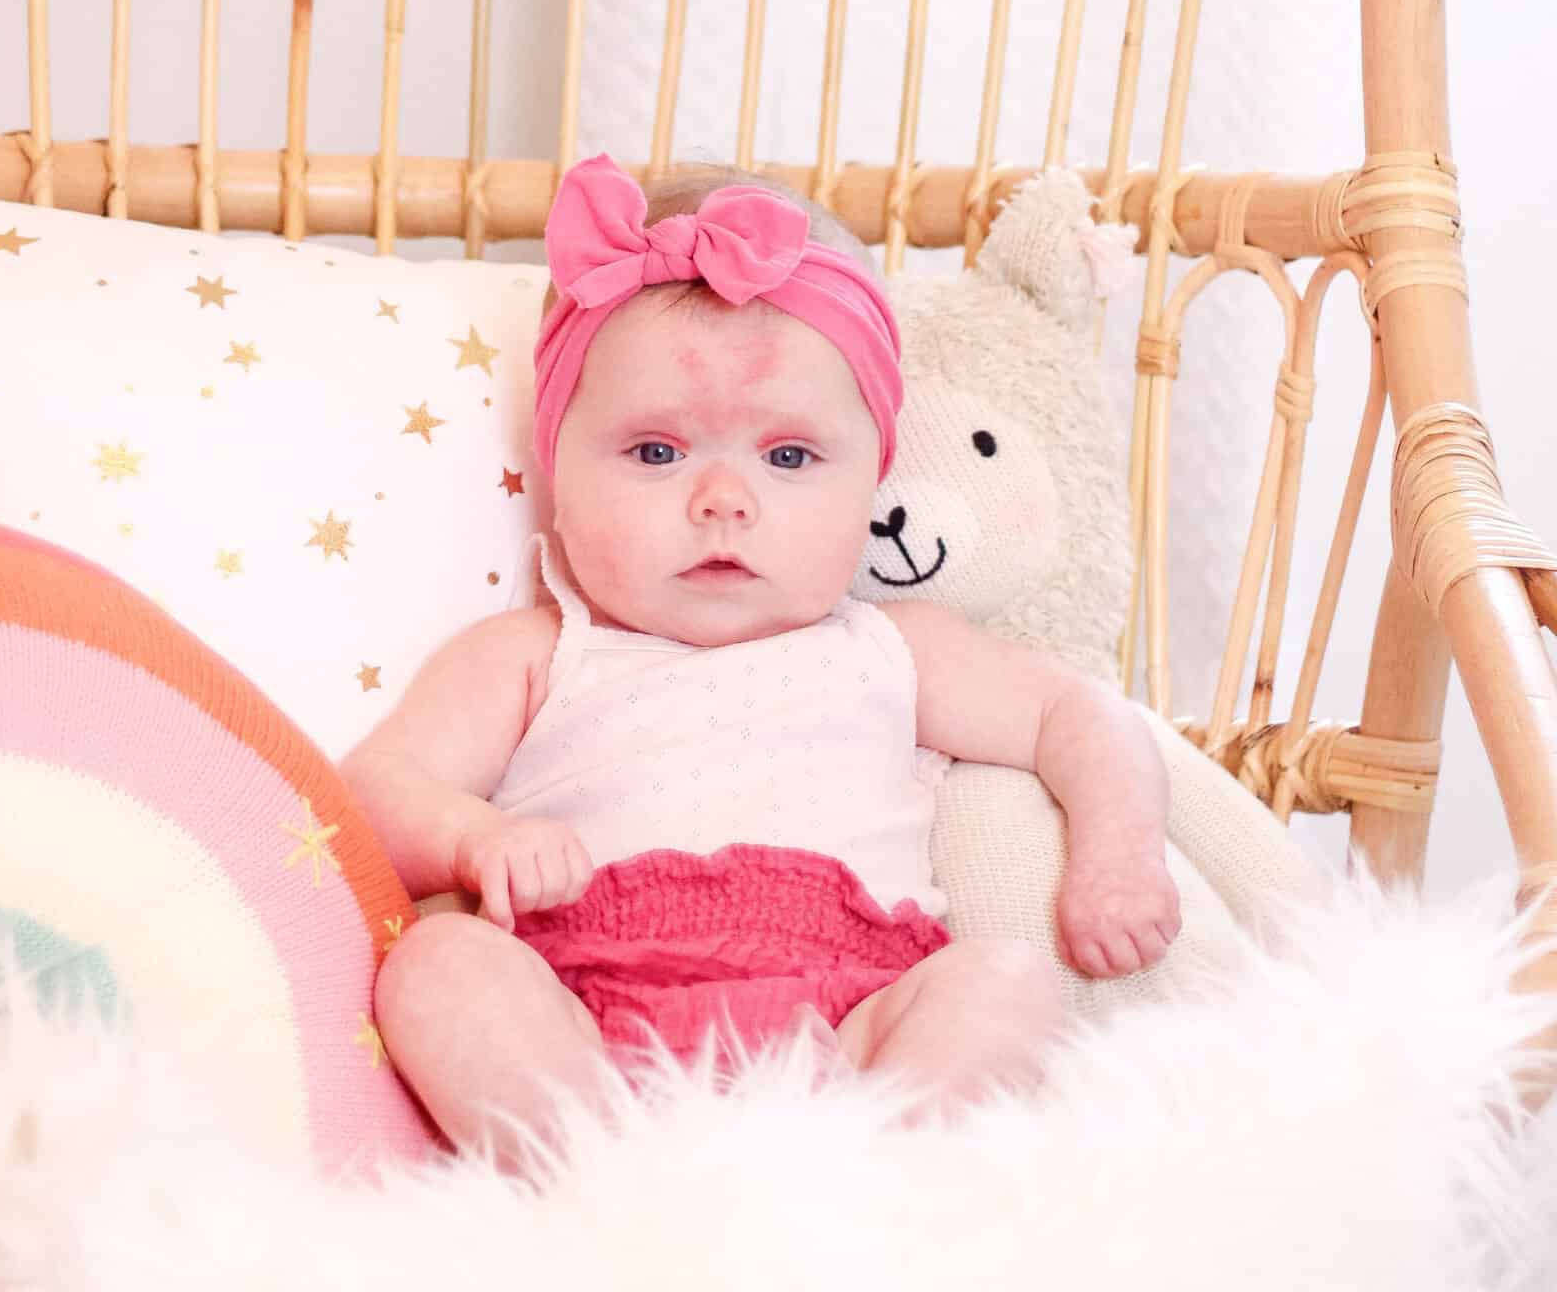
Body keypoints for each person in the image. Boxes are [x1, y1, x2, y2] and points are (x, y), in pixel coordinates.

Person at [341, 153, 1179, 1175]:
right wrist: (474, 839)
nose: (723, 499)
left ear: (867, 478)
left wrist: (1115, 852)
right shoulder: (540, 651)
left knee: (1003, 981)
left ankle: (883, 1189)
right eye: (655, 452)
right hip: (585, 1021)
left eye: (787, 458)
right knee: (438, 964)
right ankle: (595, 1189)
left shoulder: (888, 645)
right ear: (558, 465)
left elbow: (1075, 715)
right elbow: (375, 789)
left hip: (852, 1017)